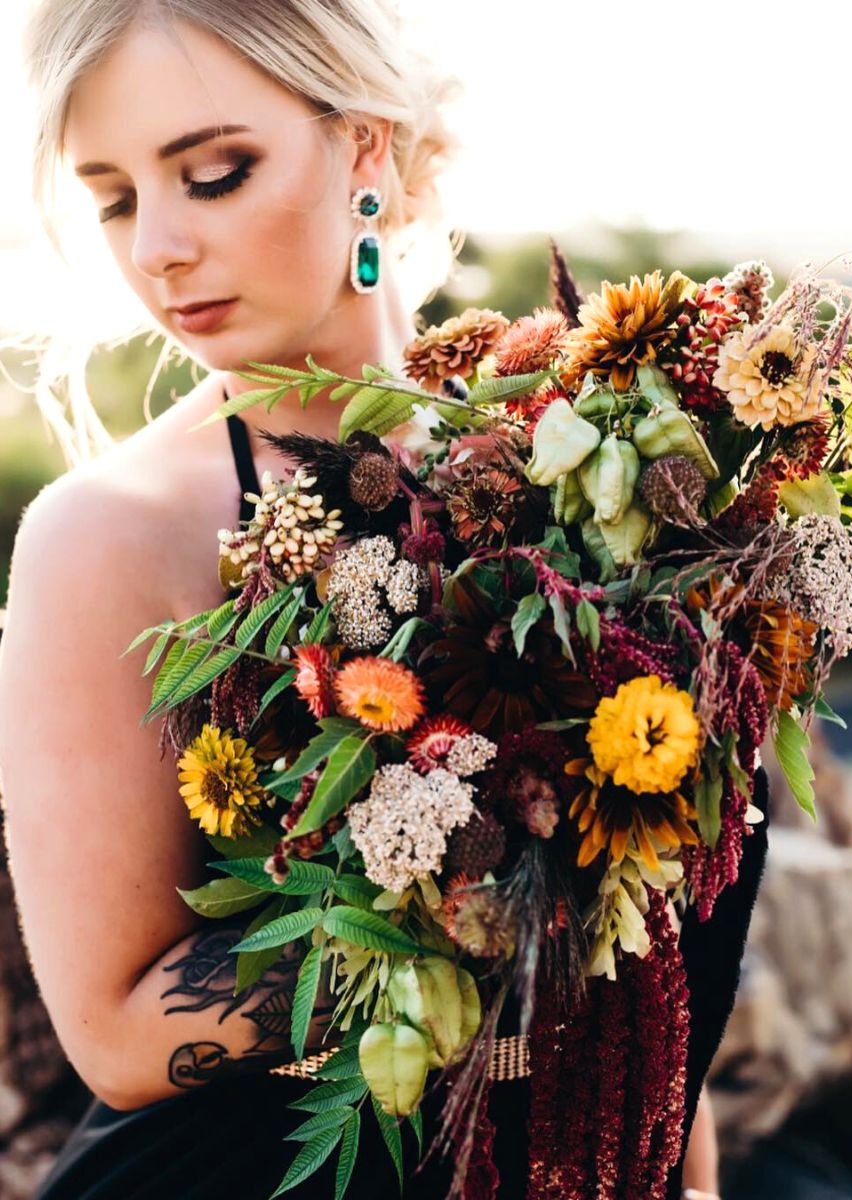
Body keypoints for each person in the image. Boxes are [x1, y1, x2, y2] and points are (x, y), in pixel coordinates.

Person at [0, 2, 722, 1196]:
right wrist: (474, 901)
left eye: (215, 174)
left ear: (366, 151)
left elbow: (654, 931)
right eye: (117, 198)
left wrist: (679, 1172)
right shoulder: (107, 535)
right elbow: (121, 1037)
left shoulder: (570, 458)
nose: (158, 249)